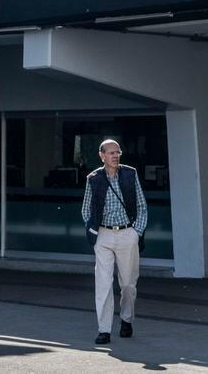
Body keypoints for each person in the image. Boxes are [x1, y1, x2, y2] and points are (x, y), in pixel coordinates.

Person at [81, 139, 148, 345]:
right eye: (111, 153)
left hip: (127, 232)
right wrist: (94, 232)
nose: (115, 155)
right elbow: (86, 209)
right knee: (103, 284)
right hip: (103, 235)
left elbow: (142, 206)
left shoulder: (130, 174)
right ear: (102, 155)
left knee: (128, 284)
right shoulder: (93, 178)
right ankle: (104, 330)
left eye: (118, 152)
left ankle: (126, 319)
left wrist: (136, 232)